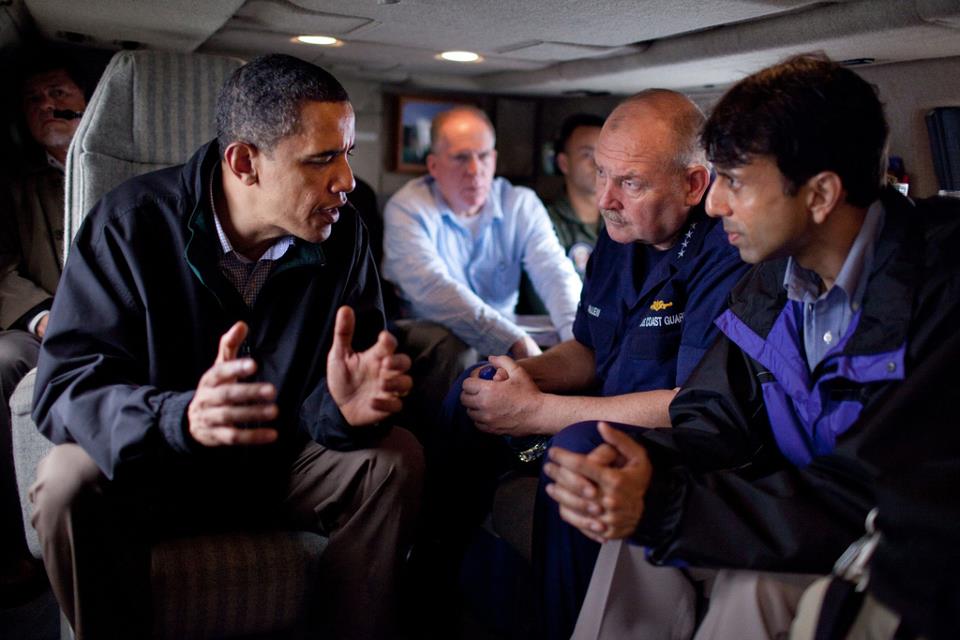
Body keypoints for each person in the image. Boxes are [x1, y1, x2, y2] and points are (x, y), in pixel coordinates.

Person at [545, 54, 960, 640]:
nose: (714, 204)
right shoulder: (771, 282)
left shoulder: (942, 284)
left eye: (735, 182)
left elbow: (871, 490)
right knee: (633, 533)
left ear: (819, 195)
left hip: (903, 544)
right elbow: (713, 416)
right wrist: (634, 470)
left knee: (752, 586)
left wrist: (668, 506)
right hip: (808, 514)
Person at [28, 54, 424, 638]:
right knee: (65, 478)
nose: (345, 181)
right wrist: (179, 417)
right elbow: (64, 389)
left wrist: (343, 411)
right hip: (158, 471)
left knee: (394, 458)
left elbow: (340, 389)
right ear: (244, 163)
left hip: (279, 469)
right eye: (321, 159)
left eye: (346, 154)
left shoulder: (343, 237)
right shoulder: (130, 223)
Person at [440, 89, 747, 639]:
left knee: (579, 445)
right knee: (474, 387)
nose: (605, 198)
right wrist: (519, 379)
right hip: (597, 410)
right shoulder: (620, 232)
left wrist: (537, 411)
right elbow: (588, 349)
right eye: (601, 173)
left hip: (675, 442)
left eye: (630, 183)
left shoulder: (726, 252)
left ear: (694, 184)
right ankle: (432, 575)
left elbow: (691, 404)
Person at [382, 105, 582, 360]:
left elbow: (553, 271)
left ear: (494, 159)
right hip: (434, 336)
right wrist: (513, 341)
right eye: (461, 158)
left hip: (507, 327)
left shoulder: (520, 204)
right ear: (433, 166)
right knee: (455, 347)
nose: (475, 170)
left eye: (484, 156)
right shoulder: (408, 208)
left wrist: (577, 340)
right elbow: (432, 288)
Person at [0, 56, 87, 601]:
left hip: (119, 320)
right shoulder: (12, 186)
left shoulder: (130, 168)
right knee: (4, 359)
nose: (47, 105)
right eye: (34, 100)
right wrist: (42, 316)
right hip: (38, 325)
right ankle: (16, 541)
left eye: (58, 92)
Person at [519, 113, 605, 314]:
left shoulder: (624, 222)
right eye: (587, 155)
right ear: (564, 163)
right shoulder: (543, 222)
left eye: (604, 155)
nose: (598, 164)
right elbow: (544, 298)